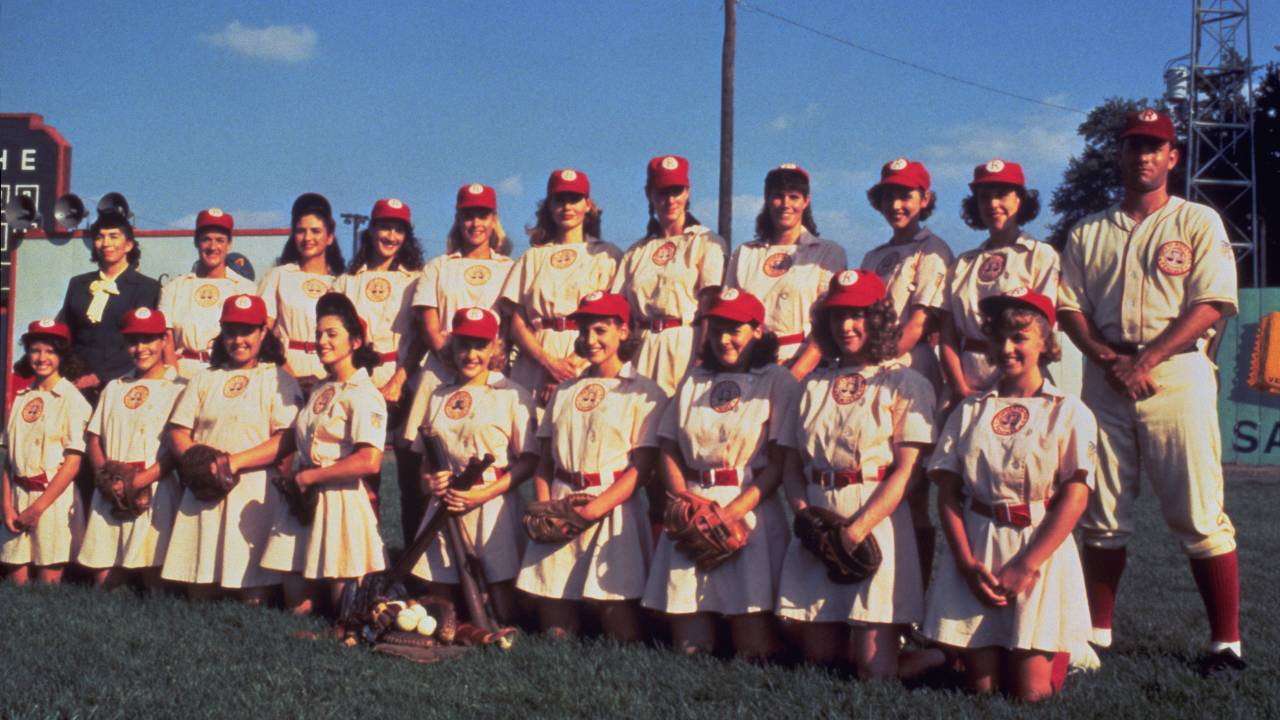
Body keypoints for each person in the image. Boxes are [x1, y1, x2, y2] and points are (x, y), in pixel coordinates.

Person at [1056, 108, 1244, 676]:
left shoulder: (1197, 221)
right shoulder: (1088, 229)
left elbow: (1212, 303)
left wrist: (1148, 359)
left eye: (1154, 146)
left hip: (1176, 372)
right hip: (1107, 374)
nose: (1143, 155)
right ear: (1119, 155)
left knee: (1199, 512)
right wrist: (1113, 359)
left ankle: (1226, 644)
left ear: (1172, 157)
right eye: (1134, 145)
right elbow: (1069, 309)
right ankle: (1098, 634)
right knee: (1103, 510)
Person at [923, 287, 1093, 702]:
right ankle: (958, 653)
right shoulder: (971, 410)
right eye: (999, 337)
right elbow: (947, 491)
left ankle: (1058, 649)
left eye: (1019, 337)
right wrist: (965, 563)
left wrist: (1027, 565)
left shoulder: (1067, 409)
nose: (1007, 347)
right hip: (980, 546)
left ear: (1045, 343)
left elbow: (1075, 496)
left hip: (1037, 548)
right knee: (981, 690)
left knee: (1031, 695)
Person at [776, 270, 937, 679]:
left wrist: (858, 529)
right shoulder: (810, 386)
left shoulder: (904, 381)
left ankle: (940, 659)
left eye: (858, 315)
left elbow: (906, 473)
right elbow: (792, 465)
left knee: (872, 671)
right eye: (837, 316)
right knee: (820, 664)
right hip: (819, 517)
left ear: (879, 318)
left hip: (875, 518)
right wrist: (805, 515)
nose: (846, 326)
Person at [641, 288, 798, 661]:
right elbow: (669, 448)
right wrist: (686, 502)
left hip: (747, 508)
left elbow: (778, 462)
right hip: (692, 506)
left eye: (735, 329)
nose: (723, 339)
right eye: (716, 329)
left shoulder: (777, 379)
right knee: (689, 650)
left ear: (757, 330)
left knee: (754, 650)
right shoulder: (695, 379)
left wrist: (731, 513)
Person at [516, 292, 665, 641]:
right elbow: (545, 462)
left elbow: (641, 467)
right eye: (583, 330)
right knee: (554, 630)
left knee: (619, 630)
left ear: (623, 332)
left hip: (611, 506)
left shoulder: (644, 391)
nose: (589, 339)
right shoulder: (565, 390)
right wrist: (545, 507)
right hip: (562, 500)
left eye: (600, 330)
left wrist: (594, 510)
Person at [161, 294, 303, 603]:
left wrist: (232, 462)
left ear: (263, 332)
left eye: (247, 331)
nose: (238, 340)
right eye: (231, 331)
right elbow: (178, 431)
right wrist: (202, 465)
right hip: (205, 485)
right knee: (198, 591)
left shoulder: (278, 378)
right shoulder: (205, 378)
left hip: (253, 485)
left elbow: (287, 438)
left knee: (254, 595)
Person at [400, 183, 515, 543]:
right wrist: (458, 361)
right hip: (440, 372)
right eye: (468, 215)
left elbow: (510, 325)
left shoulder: (509, 267)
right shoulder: (438, 266)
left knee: (486, 465)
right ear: (458, 218)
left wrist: (483, 366)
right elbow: (430, 326)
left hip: (489, 375)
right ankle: (417, 559)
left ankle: (489, 553)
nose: (475, 223)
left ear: (494, 219)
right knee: (426, 470)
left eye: (482, 215)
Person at [261, 293, 388, 614]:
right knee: (296, 605)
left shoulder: (365, 395)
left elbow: (369, 461)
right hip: (304, 500)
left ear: (355, 342)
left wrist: (310, 476)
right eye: (319, 334)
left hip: (340, 501)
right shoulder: (320, 387)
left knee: (345, 611)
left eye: (332, 334)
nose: (322, 341)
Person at [860, 158, 954, 587]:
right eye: (890, 195)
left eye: (907, 195)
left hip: (910, 371)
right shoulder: (873, 256)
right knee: (873, 479)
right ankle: (872, 583)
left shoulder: (932, 250)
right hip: (872, 374)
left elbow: (917, 323)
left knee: (912, 490)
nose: (897, 204)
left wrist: (876, 364)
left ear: (925, 199)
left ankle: (913, 596)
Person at [412, 307, 538, 625]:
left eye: (480, 345)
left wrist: (484, 495)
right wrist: (430, 483)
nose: (470, 354)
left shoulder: (511, 394)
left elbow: (529, 461)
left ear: (495, 346)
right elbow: (425, 459)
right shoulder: (438, 395)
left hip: (492, 502)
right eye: (463, 344)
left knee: (502, 607)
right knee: (440, 605)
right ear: (451, 346)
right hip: (445, 503)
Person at [78, 308, 185, 590]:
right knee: (104, 582)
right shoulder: (115, 386)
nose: (141, 348)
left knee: (154, 578)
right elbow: (94, 437)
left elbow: (177, 447)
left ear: (164, 341)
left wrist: (140, 481)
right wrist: (106, 479)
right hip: (111, 487)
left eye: (149, 340)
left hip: (153, 486)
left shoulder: (179, 387)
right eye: (134, 341)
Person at [332, 197, 426, 513]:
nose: (390, 236)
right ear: (371, 229)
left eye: (398, 229)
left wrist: (400, 380)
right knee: (362, 475)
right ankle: (369, 558)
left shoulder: (416, 278)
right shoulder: (348, 280)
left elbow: (421, 336)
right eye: (385, 226)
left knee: (410, 478)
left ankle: (411, 559)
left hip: (404, 377)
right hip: (360, 378)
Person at [500, 169, 621, 409]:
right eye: (559, 200)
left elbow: (614, 320)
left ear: (587, 205)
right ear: (549, 206)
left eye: (574, 199)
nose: (567, 207)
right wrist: (548, 363)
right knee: (528, 437)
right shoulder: (533, 257)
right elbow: (517, 323)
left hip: (587, 355)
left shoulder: (607, 255)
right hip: (536, 357)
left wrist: (570, 366)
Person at [939, 160, 1058, 400]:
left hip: (1019, 378)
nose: (993, 204)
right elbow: (948, 335)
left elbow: (1043, 326)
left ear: (1020, 199)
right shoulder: (963, 263)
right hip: (966, 379)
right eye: (984, 197)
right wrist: (960, 388)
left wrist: (1005, 387)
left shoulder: (1039, 255)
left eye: (1002, 194)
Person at [611, 154, 727, 395]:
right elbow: (617, 307)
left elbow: (711, 305)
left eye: (677, 191)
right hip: (641, 344)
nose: (670, 200)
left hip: (684, 341)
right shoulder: (636, 251)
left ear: (687, 192)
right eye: (662, 192)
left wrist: (703, 356)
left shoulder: (705, 241)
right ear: (649, 194)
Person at [722, 164, 846, 380]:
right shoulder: (744, 253)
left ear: (806, 201)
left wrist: (794, 374)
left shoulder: (827, 253)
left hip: (803, 366)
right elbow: (729, 317)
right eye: (778, 196)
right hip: (749, 365)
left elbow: (826, 324)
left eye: (794, 196)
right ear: (767, 200)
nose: (786, 204)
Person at [1, 320, 92, 584]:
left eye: (51, 351)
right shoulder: (20, 398)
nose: (42, 358)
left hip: (51, 502)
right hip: (17, 500)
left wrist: (37, 509)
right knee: (17, 587)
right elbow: (8, 461)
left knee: (47, 589)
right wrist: (7, 506)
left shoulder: (72, 399)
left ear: (63, 355)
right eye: (35, 350)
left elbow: (72, 464)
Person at [59, 210, 161, 401]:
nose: (106, 243)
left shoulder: (147, 287)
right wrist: (68, 375)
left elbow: (143, 342)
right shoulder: (78, 284)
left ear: (128, 244)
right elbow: (65, 334)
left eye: (114, 236)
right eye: (100, 237)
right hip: (76, 385)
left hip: (123, 382)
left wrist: (99, 375)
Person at [259, 193, 345, 392]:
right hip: (284, 373)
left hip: (331, 373)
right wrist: (289, 376)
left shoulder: (341, 282)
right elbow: (262, 333)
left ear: (330, 236)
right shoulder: (278, 276)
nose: (308, 238)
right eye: (301, 231)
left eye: (316, 231)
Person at [160, 209, 258, 379]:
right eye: (206, 239)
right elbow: (166, 340)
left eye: (220, 240)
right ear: (196, 242)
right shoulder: (174, 288)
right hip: (183, 372)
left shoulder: (247, 289)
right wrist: (173, 380)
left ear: (229, 244)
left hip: (228, 372)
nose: (213, 247)